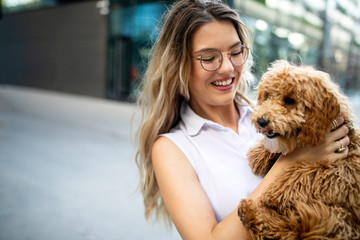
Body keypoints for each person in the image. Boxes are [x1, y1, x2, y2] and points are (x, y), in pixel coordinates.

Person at [135, 0, 350, 239]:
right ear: (179, 64)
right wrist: (291, 162)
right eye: (209, 57)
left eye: (236, 52)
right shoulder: (173, 147)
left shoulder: (277, 117)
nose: (228, 67)